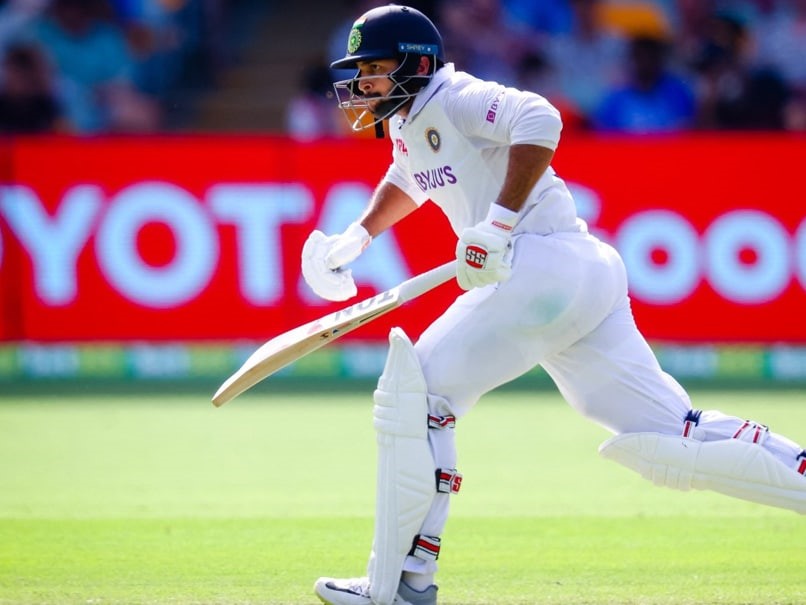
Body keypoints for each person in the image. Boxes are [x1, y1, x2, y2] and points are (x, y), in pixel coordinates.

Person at [300, 5, 806, 605]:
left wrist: (496, 225)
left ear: (417, 63)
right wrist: (356, 238)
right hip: (580, 274)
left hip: (539, 267)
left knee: (414, 397)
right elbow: (409, 176)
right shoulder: (412, 121)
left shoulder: (454, 95)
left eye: (376, 70)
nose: (363, 85)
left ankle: (401, 584)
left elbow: (540, 118)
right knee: (668, 438)